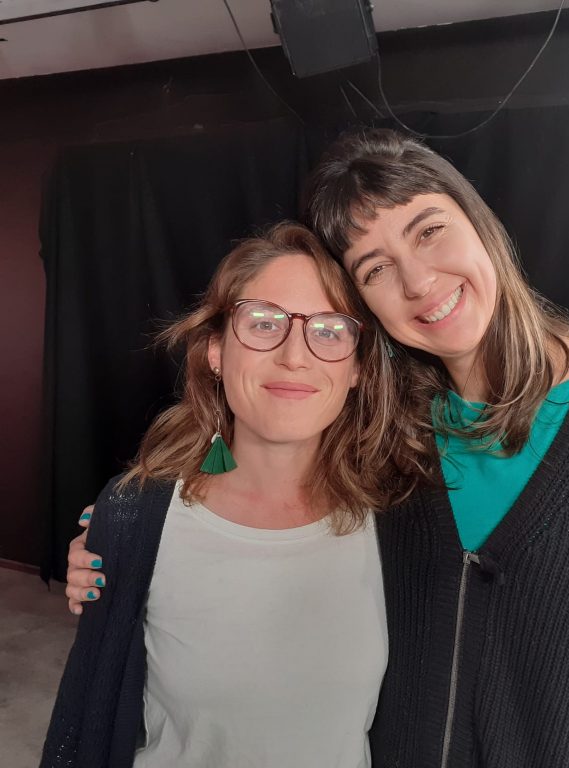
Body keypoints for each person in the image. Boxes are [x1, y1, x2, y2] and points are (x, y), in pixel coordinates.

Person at [66, 129, 569, 767]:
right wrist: (125, 541)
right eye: (374, 268)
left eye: (429, 230)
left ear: (481, 224)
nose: (418, 281)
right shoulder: (395, 442)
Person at [42, 221, 410, 768]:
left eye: (330, 330)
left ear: (357, 367)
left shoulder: (402, 521)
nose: (295, 355)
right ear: (216, 351)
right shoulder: (135, 515)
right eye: (263, 323)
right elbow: (88, 721)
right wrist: (111, 547)